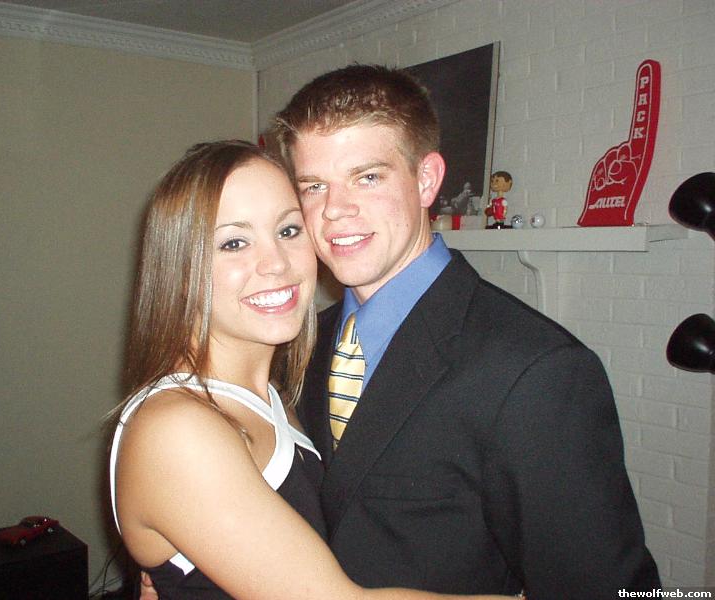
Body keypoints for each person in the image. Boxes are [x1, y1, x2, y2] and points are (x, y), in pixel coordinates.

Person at [268, 65, 661, 599]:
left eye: (368, 177)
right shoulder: (302, 343)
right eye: (314, 186)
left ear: (426, 179)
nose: (335, 210)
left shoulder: (536, 371)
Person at [111, 140, 515, 600]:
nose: (276, 264)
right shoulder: (176, 429)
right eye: (234, 242)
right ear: (180, 270)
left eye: (288, 231)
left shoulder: (280, 396)